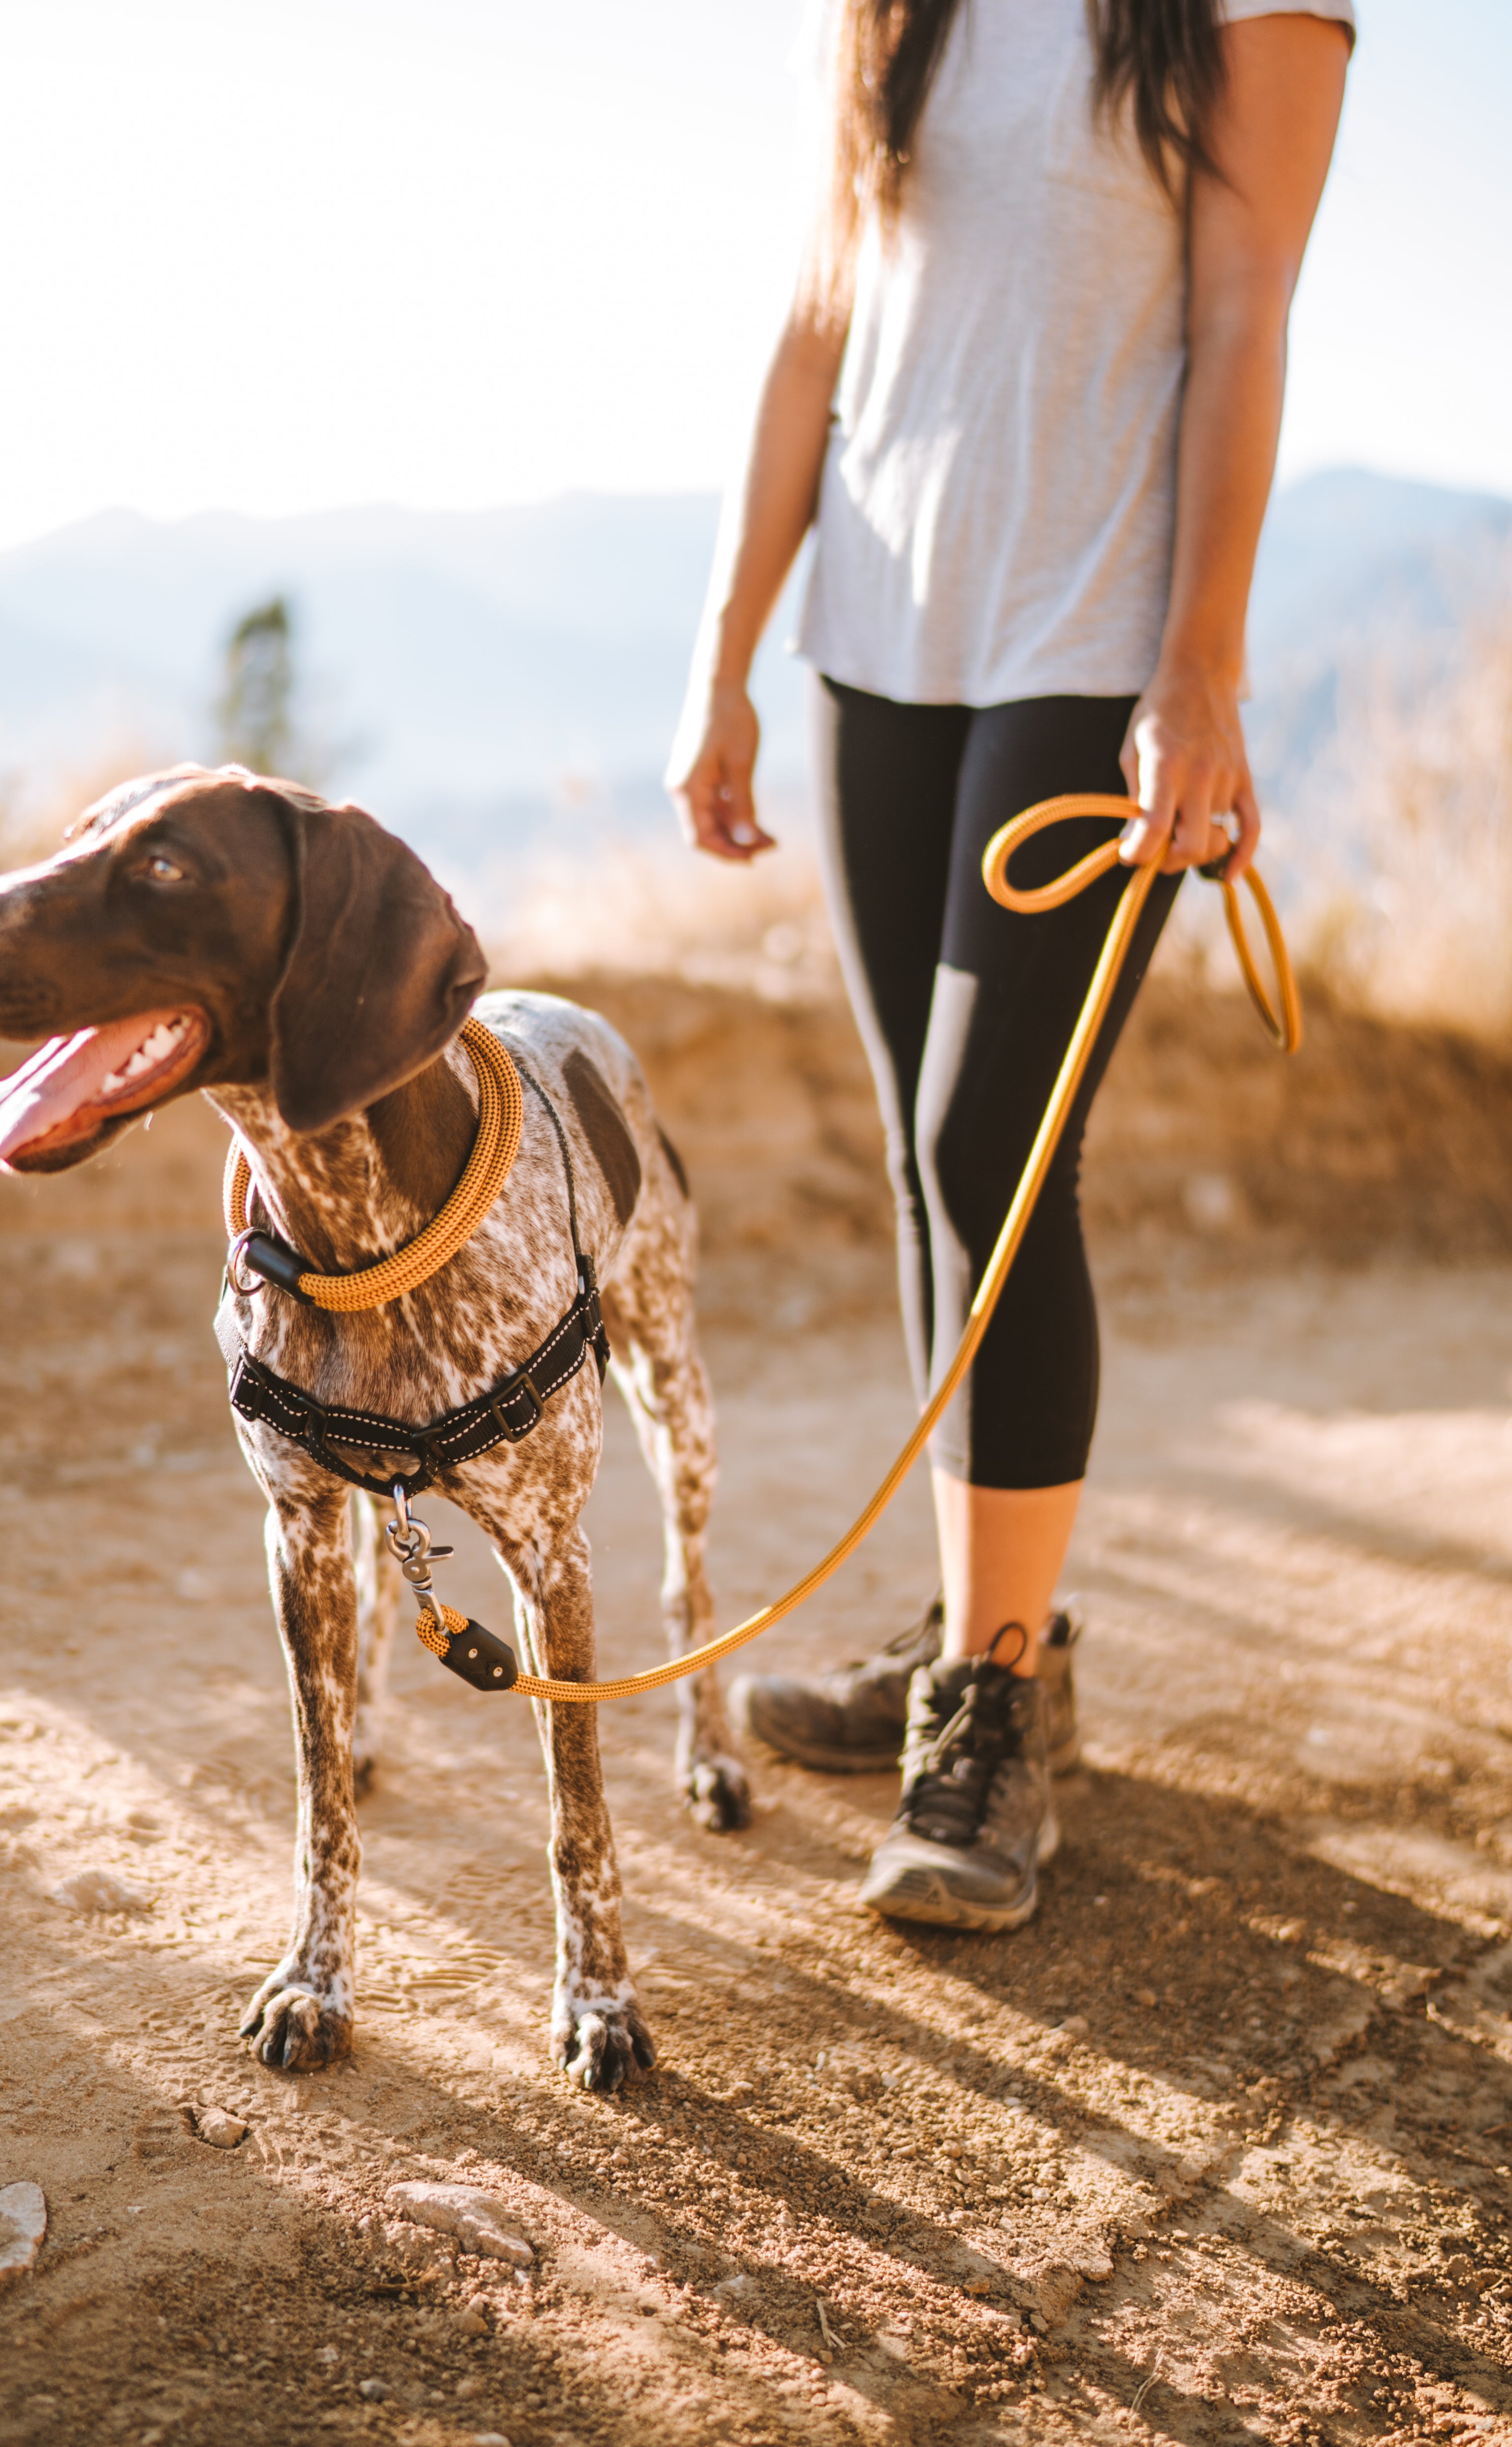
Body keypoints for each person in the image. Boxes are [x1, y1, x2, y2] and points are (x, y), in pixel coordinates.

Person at [667, 0, 1351, 1932]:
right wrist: (725, 648)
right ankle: (997, 1631)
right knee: (926, 1159)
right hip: (878, 637)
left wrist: (1199, 665)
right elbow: (818, 323)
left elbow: (1246, 309)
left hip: (1091, 650)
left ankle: (989, 1708)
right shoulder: (890, 10)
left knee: (993, 1154)